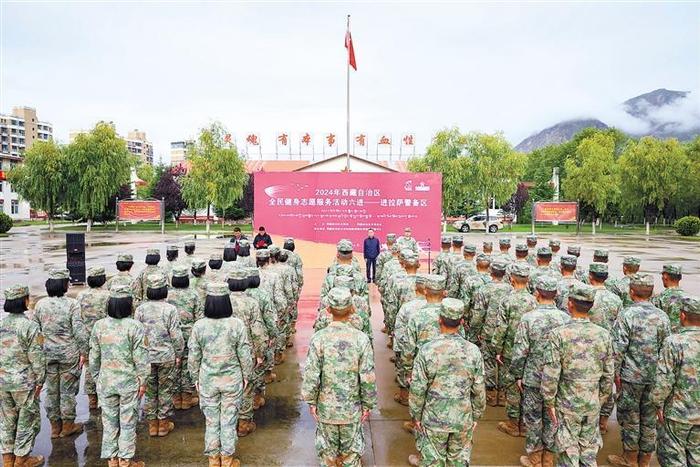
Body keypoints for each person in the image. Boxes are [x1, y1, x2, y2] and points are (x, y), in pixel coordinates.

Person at [301, 287, 377, 467]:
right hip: (352, 409)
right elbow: (367, 377)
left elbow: (312, 374)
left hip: (327, 409)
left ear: (328, 310)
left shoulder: (319, 338)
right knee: (351, 454)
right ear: (351, 309)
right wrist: (368, 404)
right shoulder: (361, 339)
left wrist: (311, 401)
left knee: (327, 454)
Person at [541, 283, 614, 467]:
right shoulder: (604, 335)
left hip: (567, 403)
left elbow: (551, 373)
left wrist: (549, 401)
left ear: (570, 303)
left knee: (567, 451)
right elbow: (608, 374)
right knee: (589, 451)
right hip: (591, 401)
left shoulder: (559, 334)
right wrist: (601, 398)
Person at [408, 298, 486, 467]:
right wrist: (476, 415)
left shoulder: (427, 350)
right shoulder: (473, 351)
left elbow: (417, 388)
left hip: (433, 417)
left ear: (440, 320)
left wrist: (416, 415)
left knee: (433, 462)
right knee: (458, 462)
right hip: (462, 417)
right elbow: (479, 388)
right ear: (462, 322)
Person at [609, 274, 671, 467]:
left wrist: (615, 374)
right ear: (651, 293)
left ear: (631, 291)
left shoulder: (627, 314)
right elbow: (666, 348)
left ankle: (629, 458)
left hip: (630, 378)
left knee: (630, 417)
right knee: (649, 419)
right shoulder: (662, 316)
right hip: (654, 378)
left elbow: (618, 348)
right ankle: (644, 460)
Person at [189, 282, 253, 467]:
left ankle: (213, 459)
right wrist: (246, 375)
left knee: (211, 421)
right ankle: (227, 459)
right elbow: (244, 353)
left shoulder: (199, 326)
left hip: (207, 380)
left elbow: (193, 355)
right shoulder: (236, 325)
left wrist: (195, 378)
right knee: (228, 419)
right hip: (231, 380)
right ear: (227, 302)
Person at [510, 275, 571, 467]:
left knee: (533, 418)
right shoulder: (566, 319)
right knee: (553, 417)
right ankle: (549, 457)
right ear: (556, 295)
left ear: (537, 294)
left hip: (533, 377)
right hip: (557, 379)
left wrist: (517, 374)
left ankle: (535, 458)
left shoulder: (529, 318)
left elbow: (520, 351)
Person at [89, 284, 149, 467]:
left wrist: (97, 377)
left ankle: (112, 460)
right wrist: (143, 381)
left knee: (109, 421)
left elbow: (94, 356)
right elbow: (141, 358)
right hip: (128, 382)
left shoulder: (99, 326)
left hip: (106, 381)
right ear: (128, 304)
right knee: (128, 421)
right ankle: (125, 460)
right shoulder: (135, 327)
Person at [32, 267, 87, 439]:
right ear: (64, 284)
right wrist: (84, 351)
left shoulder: (40, 304)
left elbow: (36, 332)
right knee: (68, 391)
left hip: (48, 354)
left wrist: (39, 352)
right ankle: (68, 425)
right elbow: (78, 331)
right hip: (68, 354)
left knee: (51, 391)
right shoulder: (72, 304)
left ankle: (55, 428)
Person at [650, 295, 700, 467]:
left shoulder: (674, 342)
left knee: (673, 458)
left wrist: (657, 404)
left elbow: (664, 380)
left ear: (683, 316)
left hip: (678, 414)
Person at [134, 273, 184, 438]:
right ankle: (162, 424)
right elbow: (175, 335)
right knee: (165, 389)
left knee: (149, 391)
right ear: (164, 290)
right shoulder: (170, 309)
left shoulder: (140, 309)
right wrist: (179, 353)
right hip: (165, 356)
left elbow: (137, 335)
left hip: (146, 357)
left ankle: (152, 425)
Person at [1, 284, 46, 467]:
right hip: (24, 382)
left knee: (7, 420)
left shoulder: (1, 324)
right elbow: (36, 356)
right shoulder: (29, 327)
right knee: (27, 420)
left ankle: (8, 459)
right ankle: (22, 459)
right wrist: (40, 380)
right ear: (24, 301)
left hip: (2, 381)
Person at [492, 262, 537, 437]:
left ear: (511, 280)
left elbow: (501, 327)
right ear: (528, 280)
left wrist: (497, 348)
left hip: (511, 351)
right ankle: (525, 425)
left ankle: (513, 424)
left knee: (511, 387)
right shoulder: (535, 301)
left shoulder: (507, 300)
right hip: (530, 352)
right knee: (527, 387)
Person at [226, 268, 268, 438]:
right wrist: (260, 352)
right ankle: (243, 423)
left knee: (228, 387)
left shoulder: (222, 301)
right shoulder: (251, 303)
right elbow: (257, 331)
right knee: (246, 387)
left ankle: (229, 421)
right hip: (246, 350)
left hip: (226, 352)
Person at [470, 259, 513, 406]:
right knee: (504, 363)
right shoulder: (511, 290)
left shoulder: (484, 290)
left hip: (488, 332)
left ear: (491, 272)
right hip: (505, 333)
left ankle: (490, 394)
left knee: (488, 362)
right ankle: (502, 395)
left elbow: (478, 314)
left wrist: (475, 331)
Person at [588, 262, 624, 434]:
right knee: (607, 383)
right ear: (606, 278)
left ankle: (590, 420)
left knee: (589, 383)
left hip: (588, 346)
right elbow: (620, 327)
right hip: (609, 347)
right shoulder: (615, 299)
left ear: (590, 276)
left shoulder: (586, 295)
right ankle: (603, 421)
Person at [165, 264, 202, 411]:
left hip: (171, 334)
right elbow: (199, 317)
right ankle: (186, 397)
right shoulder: (193, 294)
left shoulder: (167, 295)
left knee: (174, 364)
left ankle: (175, 398)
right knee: (188, 364)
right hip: (189, 334)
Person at [77, 265, 110, 410]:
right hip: (104, 337)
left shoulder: (80, 295)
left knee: (90, 369)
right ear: (102, 279)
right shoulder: (107, 295)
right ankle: (105, 397)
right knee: (105, 368)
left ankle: (92, 400)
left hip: (86, 337)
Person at [652, 263, 686, 331]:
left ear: (665, 277)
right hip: (685, 337)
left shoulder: (659, 298)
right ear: (680, 278)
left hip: (667, 337)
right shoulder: (689, 298)